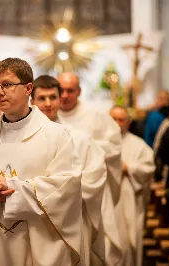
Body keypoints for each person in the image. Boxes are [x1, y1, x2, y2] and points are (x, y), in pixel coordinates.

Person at [0, 58, 82, 266]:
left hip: (37, 247)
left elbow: (67, 185)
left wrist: (12, 189)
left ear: (28, 88)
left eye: (7, 85)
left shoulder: (57, 136)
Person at [30, 74, 107, 266]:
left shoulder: (80, 139)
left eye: (53, 97)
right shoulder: (22, 139)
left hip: (71, 219)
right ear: (32, 101)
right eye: (42, 98)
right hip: (33, 221)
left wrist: (61, 193)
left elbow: (95, 176)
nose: (48, 103)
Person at [57, 72, 123, 265]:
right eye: (61, 90)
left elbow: (115, 146)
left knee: (93, 244)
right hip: (60, 193)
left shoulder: (97, 116)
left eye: (70, 90)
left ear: (79, 91)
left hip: (93, 188)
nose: (65, 95)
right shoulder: (47, 117)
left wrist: (86, 146)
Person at [110, 106, 155, 266]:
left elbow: (149, 169)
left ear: (128, 123)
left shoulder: (139, 145)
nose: (117, 123)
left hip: (129, 199)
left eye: (121, 120)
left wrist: (129, 168)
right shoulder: (98, 143)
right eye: (113, 119)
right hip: (106, 201)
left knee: (129, 242)